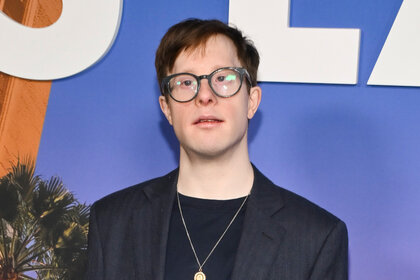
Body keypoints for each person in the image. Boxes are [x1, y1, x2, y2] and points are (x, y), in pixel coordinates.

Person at [85, 18, 348, 280]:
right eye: (186, 82)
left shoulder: (316, 236)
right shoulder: (112, 222)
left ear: (252, 101)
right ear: (167, 109)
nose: (205, 95)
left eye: (223, 78)